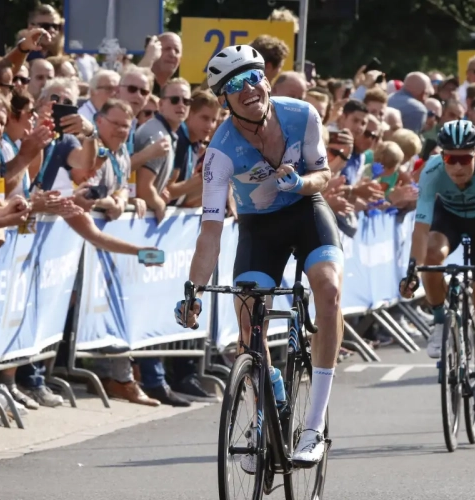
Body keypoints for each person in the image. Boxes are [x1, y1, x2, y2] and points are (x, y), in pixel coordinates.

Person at [175, 45, 343, 469]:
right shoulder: (220, 152)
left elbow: (325, 174)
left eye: (254, 76)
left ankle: (314, 425)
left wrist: (300, 183)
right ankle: (263, 407)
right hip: (259, 227)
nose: (249, 87)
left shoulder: (301, 114)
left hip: (307, 209)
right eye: (235, 83)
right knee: (249, 323)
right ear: (223, 99)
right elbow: (211, 230)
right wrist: (192, 289)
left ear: (267, 79)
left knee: (328, 289)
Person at [399, 119, 475, 429]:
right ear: (441, 156)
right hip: (449, 220)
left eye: (464, 158)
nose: (457, 166)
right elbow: (420, 227)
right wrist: (412, 270)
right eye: (450, 158)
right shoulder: (432, 171)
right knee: (432, 256)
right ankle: (439, 320)